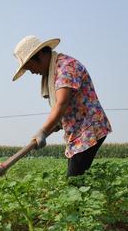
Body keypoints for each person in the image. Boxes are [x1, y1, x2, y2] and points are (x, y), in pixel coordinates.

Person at [12, 35, 112, 177]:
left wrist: (44, 131)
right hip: (78, 133)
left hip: (88, 131)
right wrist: (55, 125)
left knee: (74, 181)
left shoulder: (65, 67)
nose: (32, 72)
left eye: (30, 67)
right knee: (77, 179)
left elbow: (62, 103)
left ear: (38, 56)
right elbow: (65, 107)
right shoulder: (55, 70)